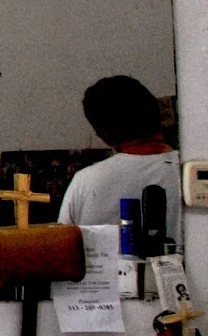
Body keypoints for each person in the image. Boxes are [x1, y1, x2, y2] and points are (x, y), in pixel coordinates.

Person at [58, 75, 182, 242]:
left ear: (102, 133)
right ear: (156, 114)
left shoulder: (85, 182)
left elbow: (63, 252)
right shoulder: (190, 173)